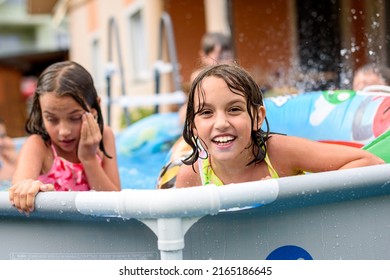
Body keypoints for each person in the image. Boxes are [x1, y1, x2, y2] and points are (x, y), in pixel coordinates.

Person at [173, 64, 384, 188]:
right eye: (207, 113)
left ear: (257, 117)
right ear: (193, 126)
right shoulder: (192, 176)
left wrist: (289, 193)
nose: (221, 123)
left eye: (234, 110)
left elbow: (368, 161)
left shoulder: (279, 153)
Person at [9, 61, 121, 214]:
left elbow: (116, 205)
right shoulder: (39, 146)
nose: (64, 131)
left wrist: (88, 158)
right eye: (52, 119)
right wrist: (27, 189)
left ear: (95, 108)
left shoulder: (104, 136)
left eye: (75, 117)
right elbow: (17, 192)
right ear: (40, 112)